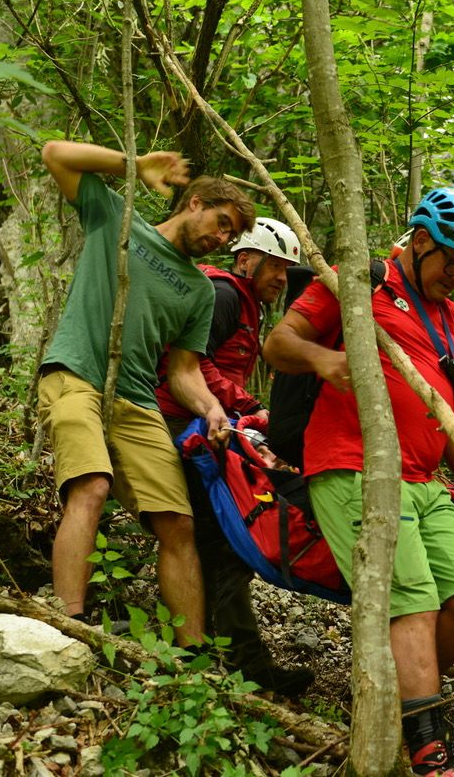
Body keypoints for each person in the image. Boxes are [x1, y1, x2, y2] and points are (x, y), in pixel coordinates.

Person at [263, 187, 454, 776]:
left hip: (428, 481)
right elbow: (278, 344)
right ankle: (429, 748)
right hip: (354, 467)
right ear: (423, 240)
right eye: (451, 262)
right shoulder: (361, 280)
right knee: (413, 603)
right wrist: (325, 360)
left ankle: (395, 706)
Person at [37, 139, 252, 648]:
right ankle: (71, 624)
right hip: (75, 374)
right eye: (222, 223)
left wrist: (212, 407)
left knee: (178, 523)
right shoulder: (118, 220)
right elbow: (54, 154)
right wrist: (133, 165)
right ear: (194, 203)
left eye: (234, 235)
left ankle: (192, 653)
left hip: (136, 399)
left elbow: (183, 372)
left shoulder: (200, 290)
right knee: (90, 486)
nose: (223, 239)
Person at [155, 216, 313, 693]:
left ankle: (207, 645)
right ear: (246, 259)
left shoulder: (244, 304)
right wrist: (245, 406)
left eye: (288, 271)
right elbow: (187, 362)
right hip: (186, 426)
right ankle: (234, 661)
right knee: (225, 541)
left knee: (217, 541)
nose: (282, 280)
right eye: (275, 268)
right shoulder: (224, 296)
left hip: (207, 427)